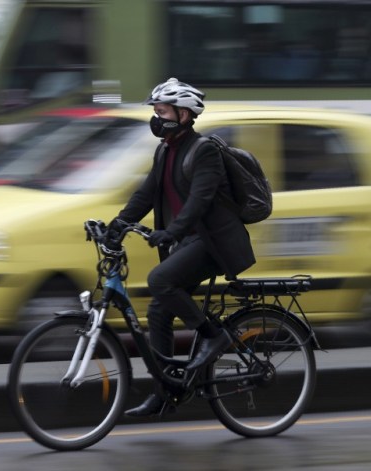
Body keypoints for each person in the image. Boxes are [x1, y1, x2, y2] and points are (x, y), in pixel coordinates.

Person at [109, 78, 256, 417]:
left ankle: (212, 334)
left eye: (161, 112)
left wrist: (171, 231)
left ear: (184, 114)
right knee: (159, 310)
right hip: (189, 240)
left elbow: (199, 201)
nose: (156, 119)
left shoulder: (203, 150)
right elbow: (145, 194)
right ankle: (165, 390)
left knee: (159, 280)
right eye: (155, 112)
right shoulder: (165, 150)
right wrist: (118, 223)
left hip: (213, 243)